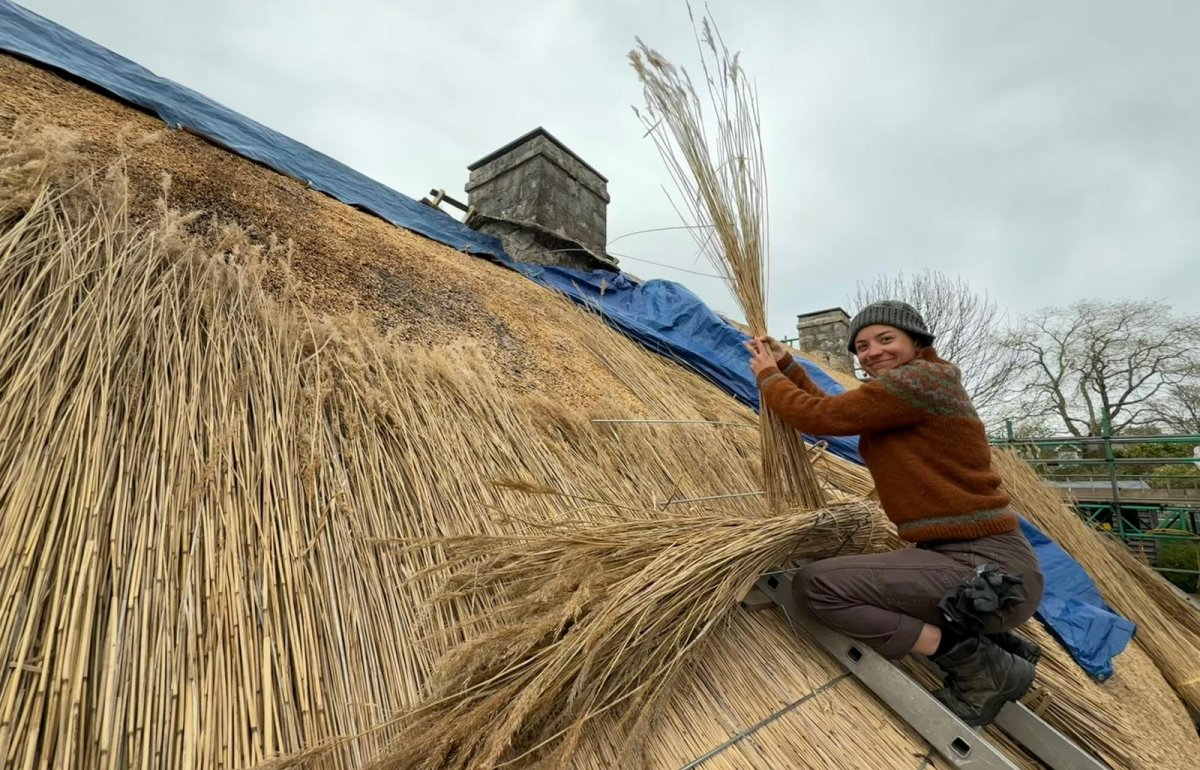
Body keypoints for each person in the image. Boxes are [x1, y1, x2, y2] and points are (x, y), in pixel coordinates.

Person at [744, 300, 1044, 726]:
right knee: (829, 581)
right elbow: (836, 410)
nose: (872, 353)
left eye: (886, 339)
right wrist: (788, 365)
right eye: (862, 346)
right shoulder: (904, 393)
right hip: (965, 565)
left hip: (985, 568)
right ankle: (987, 641)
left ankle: (977, 663)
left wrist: (769, 378)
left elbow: (819, 416)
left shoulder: (921, 381)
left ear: (916, 341)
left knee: (818, 587)